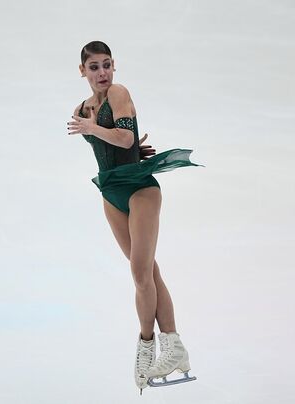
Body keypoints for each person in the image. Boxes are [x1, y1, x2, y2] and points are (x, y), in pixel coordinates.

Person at [67, 41, 199, 394]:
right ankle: (175, 347)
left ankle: (147, 345)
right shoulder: (82, 108)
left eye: (107, 65)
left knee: (140, 273)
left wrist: (105, 134)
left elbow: (123, 137)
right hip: (111, 193)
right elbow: (116, 148)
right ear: (83, 71)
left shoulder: (118, 93)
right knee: (149, 271)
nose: (102, 73)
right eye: (94, 67)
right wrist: (127, 146)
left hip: (141, 189)